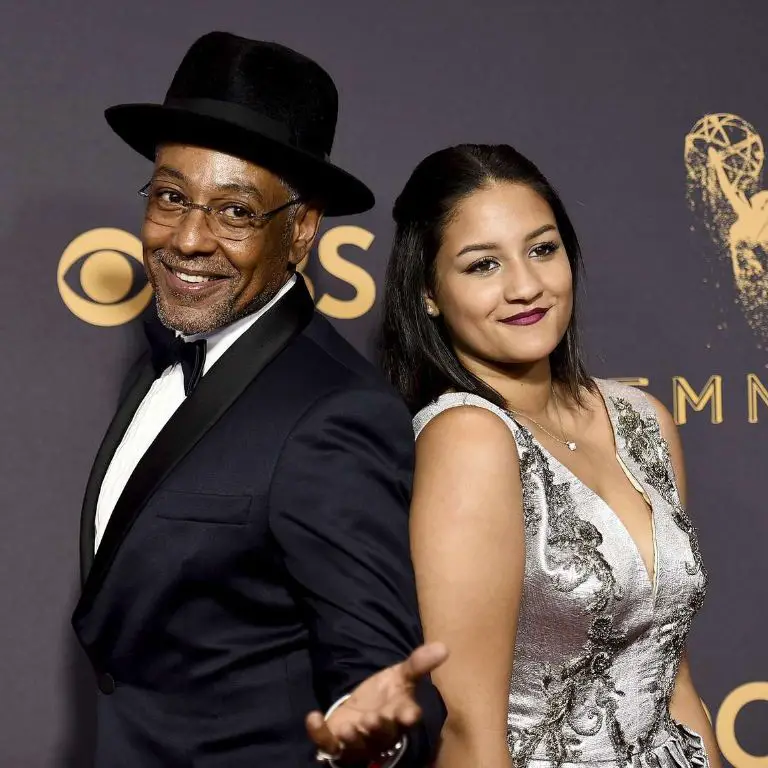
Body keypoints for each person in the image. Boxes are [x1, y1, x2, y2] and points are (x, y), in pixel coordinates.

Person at [71, 31, 446, 767]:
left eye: (235, 212)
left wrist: (376, 731)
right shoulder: (164, 354)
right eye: (172, 197)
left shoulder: (335, 414)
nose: (187, 239)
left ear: (302, 231)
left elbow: (374, 665)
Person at [379, 144, 720, 768]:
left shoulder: (643, 420)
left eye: (542, 249)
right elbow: (468, 733)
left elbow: (673, 680)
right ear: (428, 292)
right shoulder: (469, 439)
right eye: (483, 265)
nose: (526, 286)